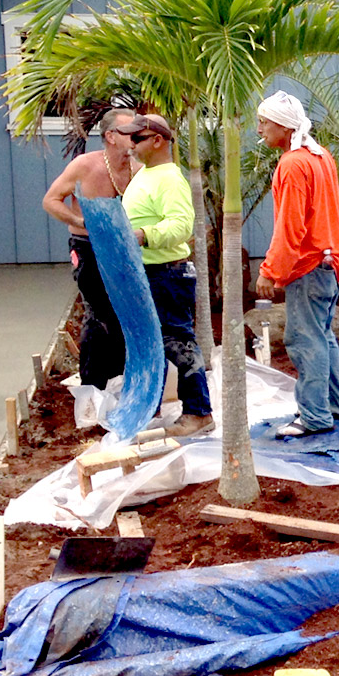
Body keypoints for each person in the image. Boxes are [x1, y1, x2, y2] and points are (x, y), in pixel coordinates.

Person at [253, 91, 339, 437]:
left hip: (311, 265)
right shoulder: (320, 156)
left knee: (304, 339)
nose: (260, 129)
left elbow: (290, 226)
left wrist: (271, 270)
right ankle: (335, 407)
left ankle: (314, 417)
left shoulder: (293, 164)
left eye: (264, 122)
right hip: (332, 260)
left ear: (283, 125)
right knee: (322, 337)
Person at [114, 114, 215, 438]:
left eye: (136, 138)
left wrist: (144, 235)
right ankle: (148, 406)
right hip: (148, 273)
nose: (130, 144)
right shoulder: (146, 174)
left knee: (177, 342)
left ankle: (199, 412)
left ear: (157, 140)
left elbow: (182, 226)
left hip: (167, 275)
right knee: (149, 343)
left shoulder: (169, 179)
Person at [41, 107, 136, 391]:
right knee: (99, 313)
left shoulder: (139, 168)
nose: (135, 137)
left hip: (125, 247)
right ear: (110, 136)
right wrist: (80, 221)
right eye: (128, 132)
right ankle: (93, 386)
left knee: (124, 312)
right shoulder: (85, 165)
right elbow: (51, 200)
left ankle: (120, 381)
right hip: (88, 246)